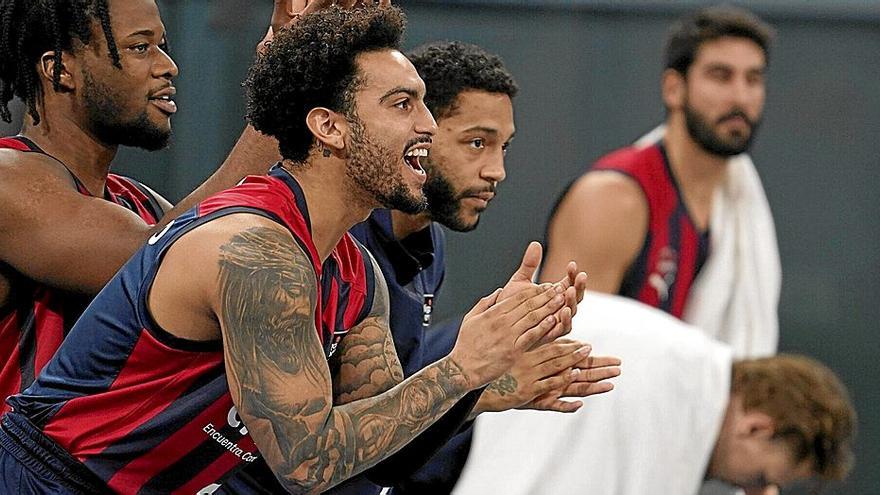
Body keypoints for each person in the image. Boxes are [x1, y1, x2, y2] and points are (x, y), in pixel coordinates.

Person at [0, 7, 599, 494]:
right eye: (402, 104)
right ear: (329, 127)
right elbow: (307, 463)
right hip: (52, 480)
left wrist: (487, 387)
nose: (426, 126)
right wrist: (463, 366)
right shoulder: (253, 250)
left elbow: (372, 453)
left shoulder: (354, 268)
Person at [0, 0, 323, 414]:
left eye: (163, 45)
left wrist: (299, 49)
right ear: (61, 69)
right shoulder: (8, 181)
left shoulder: (139, 203)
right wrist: (286, 75)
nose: (168, 65)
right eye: (140, 47)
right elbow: (158, 263)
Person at [325, 41, 618, 495]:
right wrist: (470, 368)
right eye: (476, 143)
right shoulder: (337, 243)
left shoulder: (429, 244)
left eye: (504, 147)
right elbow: (337, 446)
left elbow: (396, 427)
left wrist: (488, 390)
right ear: (416, 130)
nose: (496, 170)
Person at [541, 6, 781, 357]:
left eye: (753, 79)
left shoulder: (738, 204)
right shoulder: (612, 199)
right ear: (674, 88)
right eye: (721, 76)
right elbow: (557, 354)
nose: (740, 97)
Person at [454, 293, 856, 495]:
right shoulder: (670, 403)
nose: (751, 491)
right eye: (760, 478)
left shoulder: (678, 361)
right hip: (436, 438)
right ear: (756, 427)